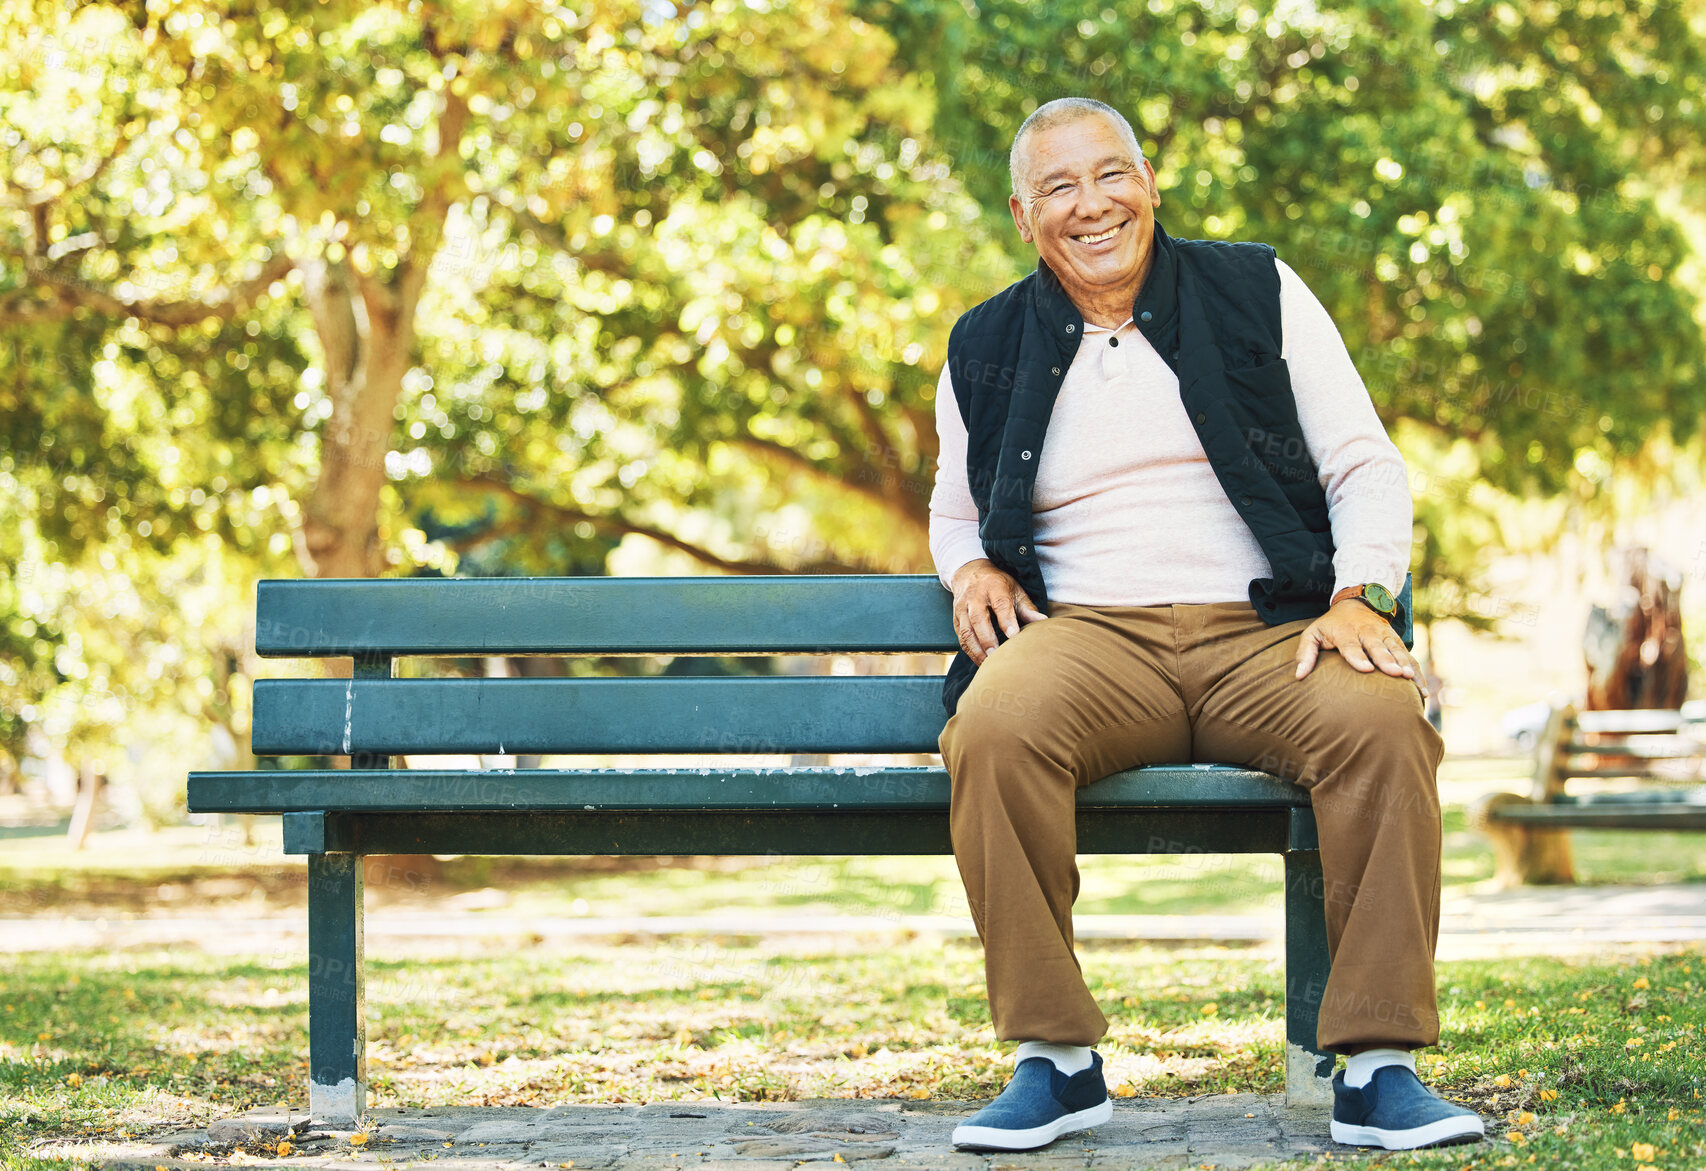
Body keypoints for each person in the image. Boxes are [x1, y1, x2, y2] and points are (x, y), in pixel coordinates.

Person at [929, 97, 1484, 1154]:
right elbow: (955, 509)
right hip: (1088, 637)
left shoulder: (1255, 288)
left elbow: (1362, 461)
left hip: (1268, 632)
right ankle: (1054, 1062)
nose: (1090, 205)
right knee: (992, 729)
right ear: (1020, 215)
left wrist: (1358, 593)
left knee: (1379, 722)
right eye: (1058, 187)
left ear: (1148, 183)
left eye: (1110, 175)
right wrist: (964, 571)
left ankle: (1375, 1067)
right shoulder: (983, 340)